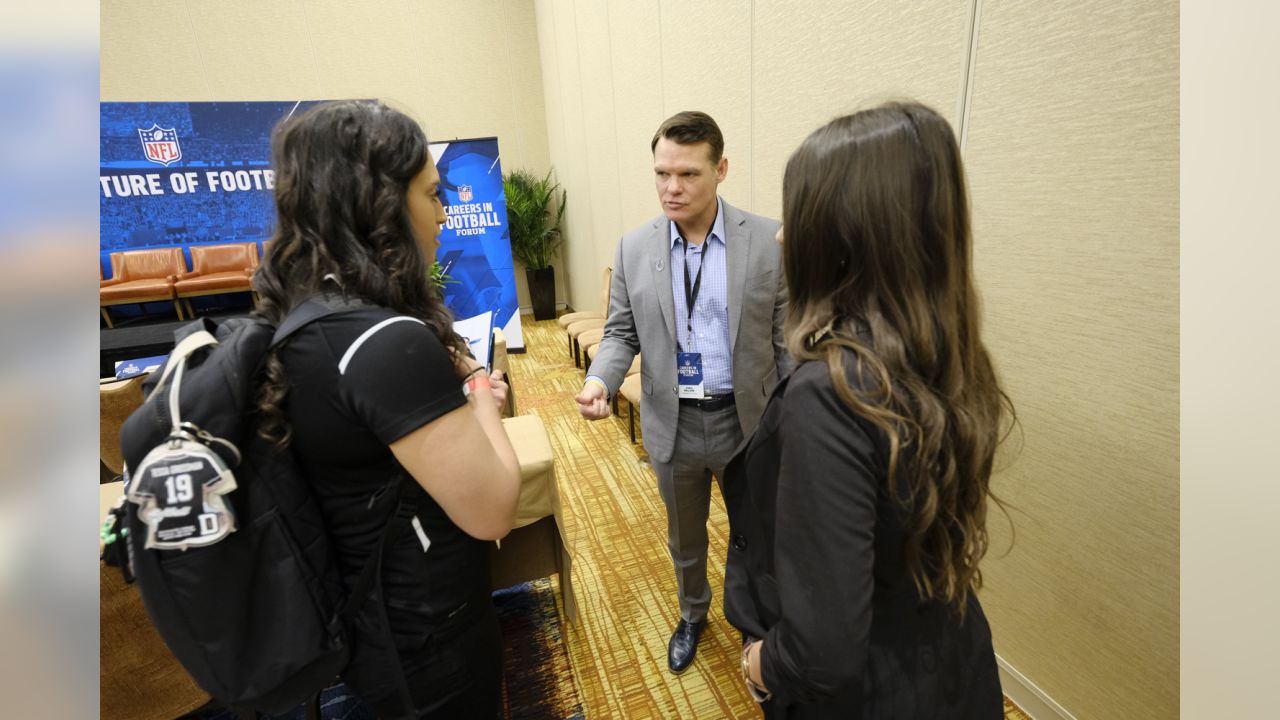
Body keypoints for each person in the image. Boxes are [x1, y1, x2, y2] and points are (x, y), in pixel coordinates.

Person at [723, 102, 1011, 718]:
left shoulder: (832, 393)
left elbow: (822, 652)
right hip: (952, 660)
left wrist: (759, 665)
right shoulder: (948, 354)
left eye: (797, 216)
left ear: (844, 235)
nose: (780, 235)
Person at [252, 100, 522, 719]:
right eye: (431, 194)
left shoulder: (305, 318)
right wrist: (480, 390)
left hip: (372, 623)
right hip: (429, 639)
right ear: (379, 204)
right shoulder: (383, 342)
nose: (445, 212)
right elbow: (496, 508)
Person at [575, 111, 790, 674]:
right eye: (662, 173)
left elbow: (786, 340)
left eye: (689, 174)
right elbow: (621, 331)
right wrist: (599, 379)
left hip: (749, 421)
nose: (672, 188)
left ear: (720, 170)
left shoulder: (767, 242)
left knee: (757, 537)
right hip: (673, 421)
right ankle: (693, 613)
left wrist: (799, 417)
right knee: (685, 538)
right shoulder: (633, 248)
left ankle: (756, 628)